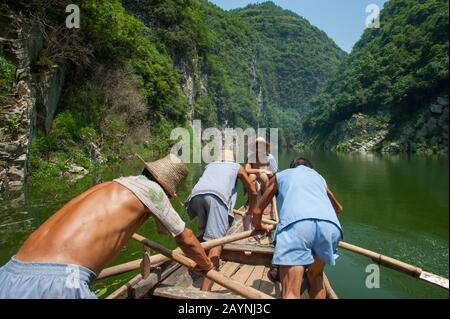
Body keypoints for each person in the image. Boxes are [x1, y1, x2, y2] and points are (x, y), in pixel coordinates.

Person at [0, 154, 213, 299]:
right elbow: (185, 238)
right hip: (60, 281)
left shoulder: (114, 184)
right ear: (168, 191)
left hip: (10, 273)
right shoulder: (153, 192)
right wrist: (205, 265)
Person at [252, 157, 343, 299]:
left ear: (291, 167)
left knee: (290, 292)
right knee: (316, 276)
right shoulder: (319, 177)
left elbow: (257, 212)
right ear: (310, 168)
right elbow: (338, 208)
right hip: (331, 228)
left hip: (297, 227)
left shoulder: (281, 175)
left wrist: (260, 226)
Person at [185, 149, 257, 292]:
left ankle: (193, 265)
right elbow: (253, 191)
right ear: (233, 160)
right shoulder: (237, 167)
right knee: (217, 243)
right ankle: (204, 292)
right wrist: (250, 211)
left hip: (195, 196)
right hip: (216, 198)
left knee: (204, 234)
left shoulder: (210, 166)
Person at [245, 137, 278, 216]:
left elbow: (274, 175)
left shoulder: (270, 157)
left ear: (265, 147)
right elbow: (246, 170)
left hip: (267, 182)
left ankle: (268, 203)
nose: (259, 148)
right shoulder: (251, 156)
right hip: (255, 181)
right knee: (251, 176)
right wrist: (260, 171)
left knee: (263, 176)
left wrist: (264, 173)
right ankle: (251, 200)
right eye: (257, 146)